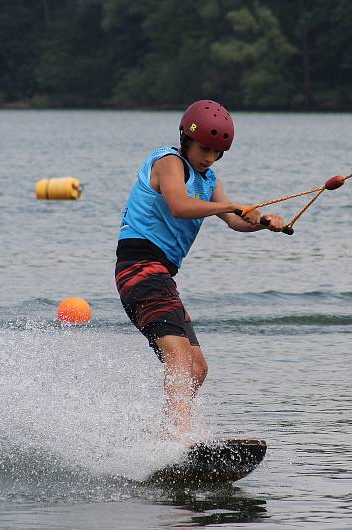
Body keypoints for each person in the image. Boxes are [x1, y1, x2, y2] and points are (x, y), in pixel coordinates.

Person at [115, 99, 284, 445]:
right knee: (178, 354)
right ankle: (178, 436)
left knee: (197, 368)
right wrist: (232, 204)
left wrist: (264, 222)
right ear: (187, 139)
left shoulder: (208, 179)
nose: (209, 157)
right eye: (204, 149)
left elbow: (235, 221)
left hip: (162, 274)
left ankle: (167, 433)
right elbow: (179, 206)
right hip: (139, 266)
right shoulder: (167, 162)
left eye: (217, 152)